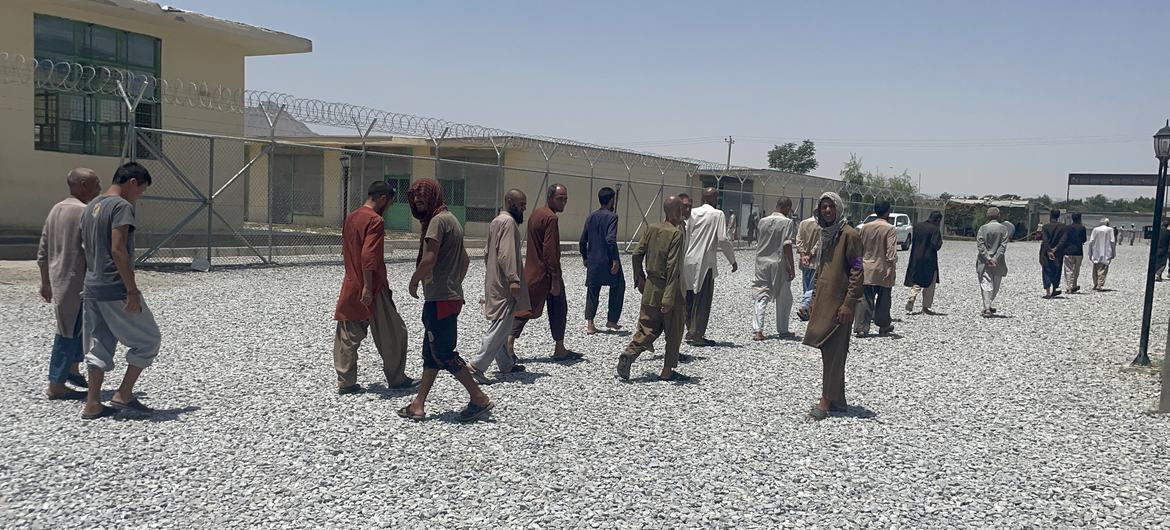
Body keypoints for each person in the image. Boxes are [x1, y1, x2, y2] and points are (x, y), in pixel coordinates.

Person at [398, 179, 492, 423]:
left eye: (423, 197)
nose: (418, 202)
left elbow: (429, 258)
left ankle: (478, 397)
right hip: (448, 296)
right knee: (431, 352)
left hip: (440, 298)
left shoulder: (437, 222)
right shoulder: (451, 219)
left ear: (434, 196)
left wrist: (414, 280)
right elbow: (465, 261)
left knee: (443, 352)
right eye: (415, 198)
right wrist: (454, 283)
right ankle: (418, 404)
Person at [79, 162, 162, 420]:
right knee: (149, 340)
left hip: (92, 285)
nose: (139, 197)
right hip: (115, 287)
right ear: (133, 182)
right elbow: (118, 249)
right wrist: (132, 290)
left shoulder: (92, 205)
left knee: (98, 345)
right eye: (141, 191)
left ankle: (93, 403)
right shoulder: (121, 207)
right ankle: (124, 394)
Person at [332, 181, 415, 395]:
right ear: (383, 199)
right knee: (395, 332)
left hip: (350, 283)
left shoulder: (350, 217)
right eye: (389, 204)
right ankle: (397, 378)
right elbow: (368, 255)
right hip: (372, 287)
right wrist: (368, 287)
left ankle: (346, 382)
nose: (388, 209)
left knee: (348, 334)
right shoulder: (375, 220)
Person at [37, 168, 101, 400]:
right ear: (83, 184)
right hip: (78, 281)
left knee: (76, 328)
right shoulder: (85, 212)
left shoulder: (56, 209)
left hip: (58, 279)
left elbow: (43, 249)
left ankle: (72, 370)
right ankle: (56, 383)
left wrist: (45, 283)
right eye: (96, 183)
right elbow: (91, 250)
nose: (99, 188)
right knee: (67, 332)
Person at [803, 192, 863, 421]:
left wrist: (849, 302)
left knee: (834, 351)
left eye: (831, 207)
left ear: (838, 208)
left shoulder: (849, 235)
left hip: (839, 303)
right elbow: (821, 270)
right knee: (829, 352)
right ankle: (838, 398)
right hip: (824, 300)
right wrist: (812, 299)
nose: (827, 210)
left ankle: (826, 400)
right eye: (823, 207)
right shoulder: (827, 234)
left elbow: (858, 269)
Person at [617, 196, 689, 382]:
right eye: (682, 209)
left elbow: (636, 254)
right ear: (676, 212)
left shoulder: (652, 228)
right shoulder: (676, 234)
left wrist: (639, 277)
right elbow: (673, 268)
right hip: (669, 288)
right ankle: (667, 370)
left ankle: (630, 353)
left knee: (647, 328)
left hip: (650, 287)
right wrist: (668, 299)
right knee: (674, 331)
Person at [468, 189, 531, 385]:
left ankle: (506, 364)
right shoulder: (509, 223)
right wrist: (513, 278)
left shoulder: (496, 221)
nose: (524, 209)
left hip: (494, 279)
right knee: (501, 324)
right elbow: (506, 254)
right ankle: (477, 365)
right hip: (505, 282)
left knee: (502, 323)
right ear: (511, 203)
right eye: (521, 205)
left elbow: (488, 252)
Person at [511, 184, 579, 361]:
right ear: (550, 198)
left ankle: (559, 346)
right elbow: (549, 251)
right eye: (560, 199)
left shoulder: (536, 214)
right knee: (527, 310)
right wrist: (555, 278)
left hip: (533, 270)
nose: (563, 202)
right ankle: (508, 345)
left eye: (565, 199)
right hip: (545, 274)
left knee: (555, 308)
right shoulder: (551, 218)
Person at [682, 188, 737, 346]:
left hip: (688, 259)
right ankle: (698, 335)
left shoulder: (691, 213)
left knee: (689, 297)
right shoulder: (717, 214)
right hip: (704, 261)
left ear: (702, 197)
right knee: (703, 299)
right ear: (715, 198)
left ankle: (689, 331)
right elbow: (723, 239)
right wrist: (732, 260)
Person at [579, 186, 625, 335]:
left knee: (593, 290)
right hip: (607, 259)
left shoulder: (590, 217)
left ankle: (590, 324)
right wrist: (615, 260)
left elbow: (582, 240)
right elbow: (610, 239)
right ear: (612, 200)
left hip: (593, 260)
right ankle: (612, 319)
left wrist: (584, 256)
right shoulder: (613, 217)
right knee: (618, 285)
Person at [751, 197, 797, 341]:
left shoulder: (762, 221)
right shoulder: (787, 222)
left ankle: (758, 330)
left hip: (761, 262)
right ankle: (783, 329)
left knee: (761, 294)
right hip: (779, 262)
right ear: (787, 208)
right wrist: (792, 266)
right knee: (784, 297)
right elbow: (787, 245)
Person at [853, 200, 897, 337]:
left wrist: (856, 267)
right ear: (888, 211)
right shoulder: (890, 229)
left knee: (864, 299)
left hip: (866, 268)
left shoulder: (865, 227)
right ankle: (883, 325)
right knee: (884, 300)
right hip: (883, 268)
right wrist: (890, 267)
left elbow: (858, 248)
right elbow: (891, 250)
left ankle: (861, 327)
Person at [904, 211, 943, 315]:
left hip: (916, 257)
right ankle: (925, 307)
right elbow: (936, 245)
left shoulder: (918, 226)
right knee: (930, 282)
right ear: (938, 220)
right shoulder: (935, 229)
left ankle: (912, 296)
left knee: (917, 279)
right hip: (929, 258)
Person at [976, 208, 1012, 317]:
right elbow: (1003, 246)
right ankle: (988, 306)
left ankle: (987, 307)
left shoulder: (982, 228)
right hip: (998, 262)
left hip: (984, 261)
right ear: (999, 215)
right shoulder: (1004, 229)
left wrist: (988, 258)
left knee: (986, 283)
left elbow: (980, 245)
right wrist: (995, 258)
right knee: (996, 285)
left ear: (987, 216)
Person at [795, 210, 821, 321]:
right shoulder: (821, 226)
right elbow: (819, 243)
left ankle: (807, 311)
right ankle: (804, 306)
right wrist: (810, 255)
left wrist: (802, 255)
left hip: (803, 260)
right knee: (813, 286)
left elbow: (798, 239)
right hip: (815, 260)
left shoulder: (803, 223)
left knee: (806, 286)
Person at [1040, 210, 1067, 298]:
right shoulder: (1063, 227)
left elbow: (1045, 240)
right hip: (1058, 252)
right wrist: (1055, 249)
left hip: (1045, 252)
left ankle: (1048, 292)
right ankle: (1054, 289)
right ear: (1059, 216)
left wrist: (1049, 251)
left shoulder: (1045, 227)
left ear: (1050, 216)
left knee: (1046, 270)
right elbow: (1063, 240)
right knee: (1057, 270)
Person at [1062, 212, 1087, 294]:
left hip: (1068, 251)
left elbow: (1064, 239)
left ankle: (1069, 287)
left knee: (1068, 270)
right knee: (1076, 270)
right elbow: (1084, 240)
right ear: (1080, 218)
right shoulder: (1082, 228)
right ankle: (1074, 285)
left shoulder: (1067, 228)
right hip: (1078, 251)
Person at [1088, 217, 1116, 291]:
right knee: (1103, 269)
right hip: (1106, 252)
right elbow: (1112, 241)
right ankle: (1100, 284)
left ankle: (1096, 283)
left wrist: (1090, 253)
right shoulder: (1110, 230)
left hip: (1096, 251)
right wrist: (1113, 252)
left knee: (1095, 268)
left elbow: (1091, 241)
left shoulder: (1095, 229)